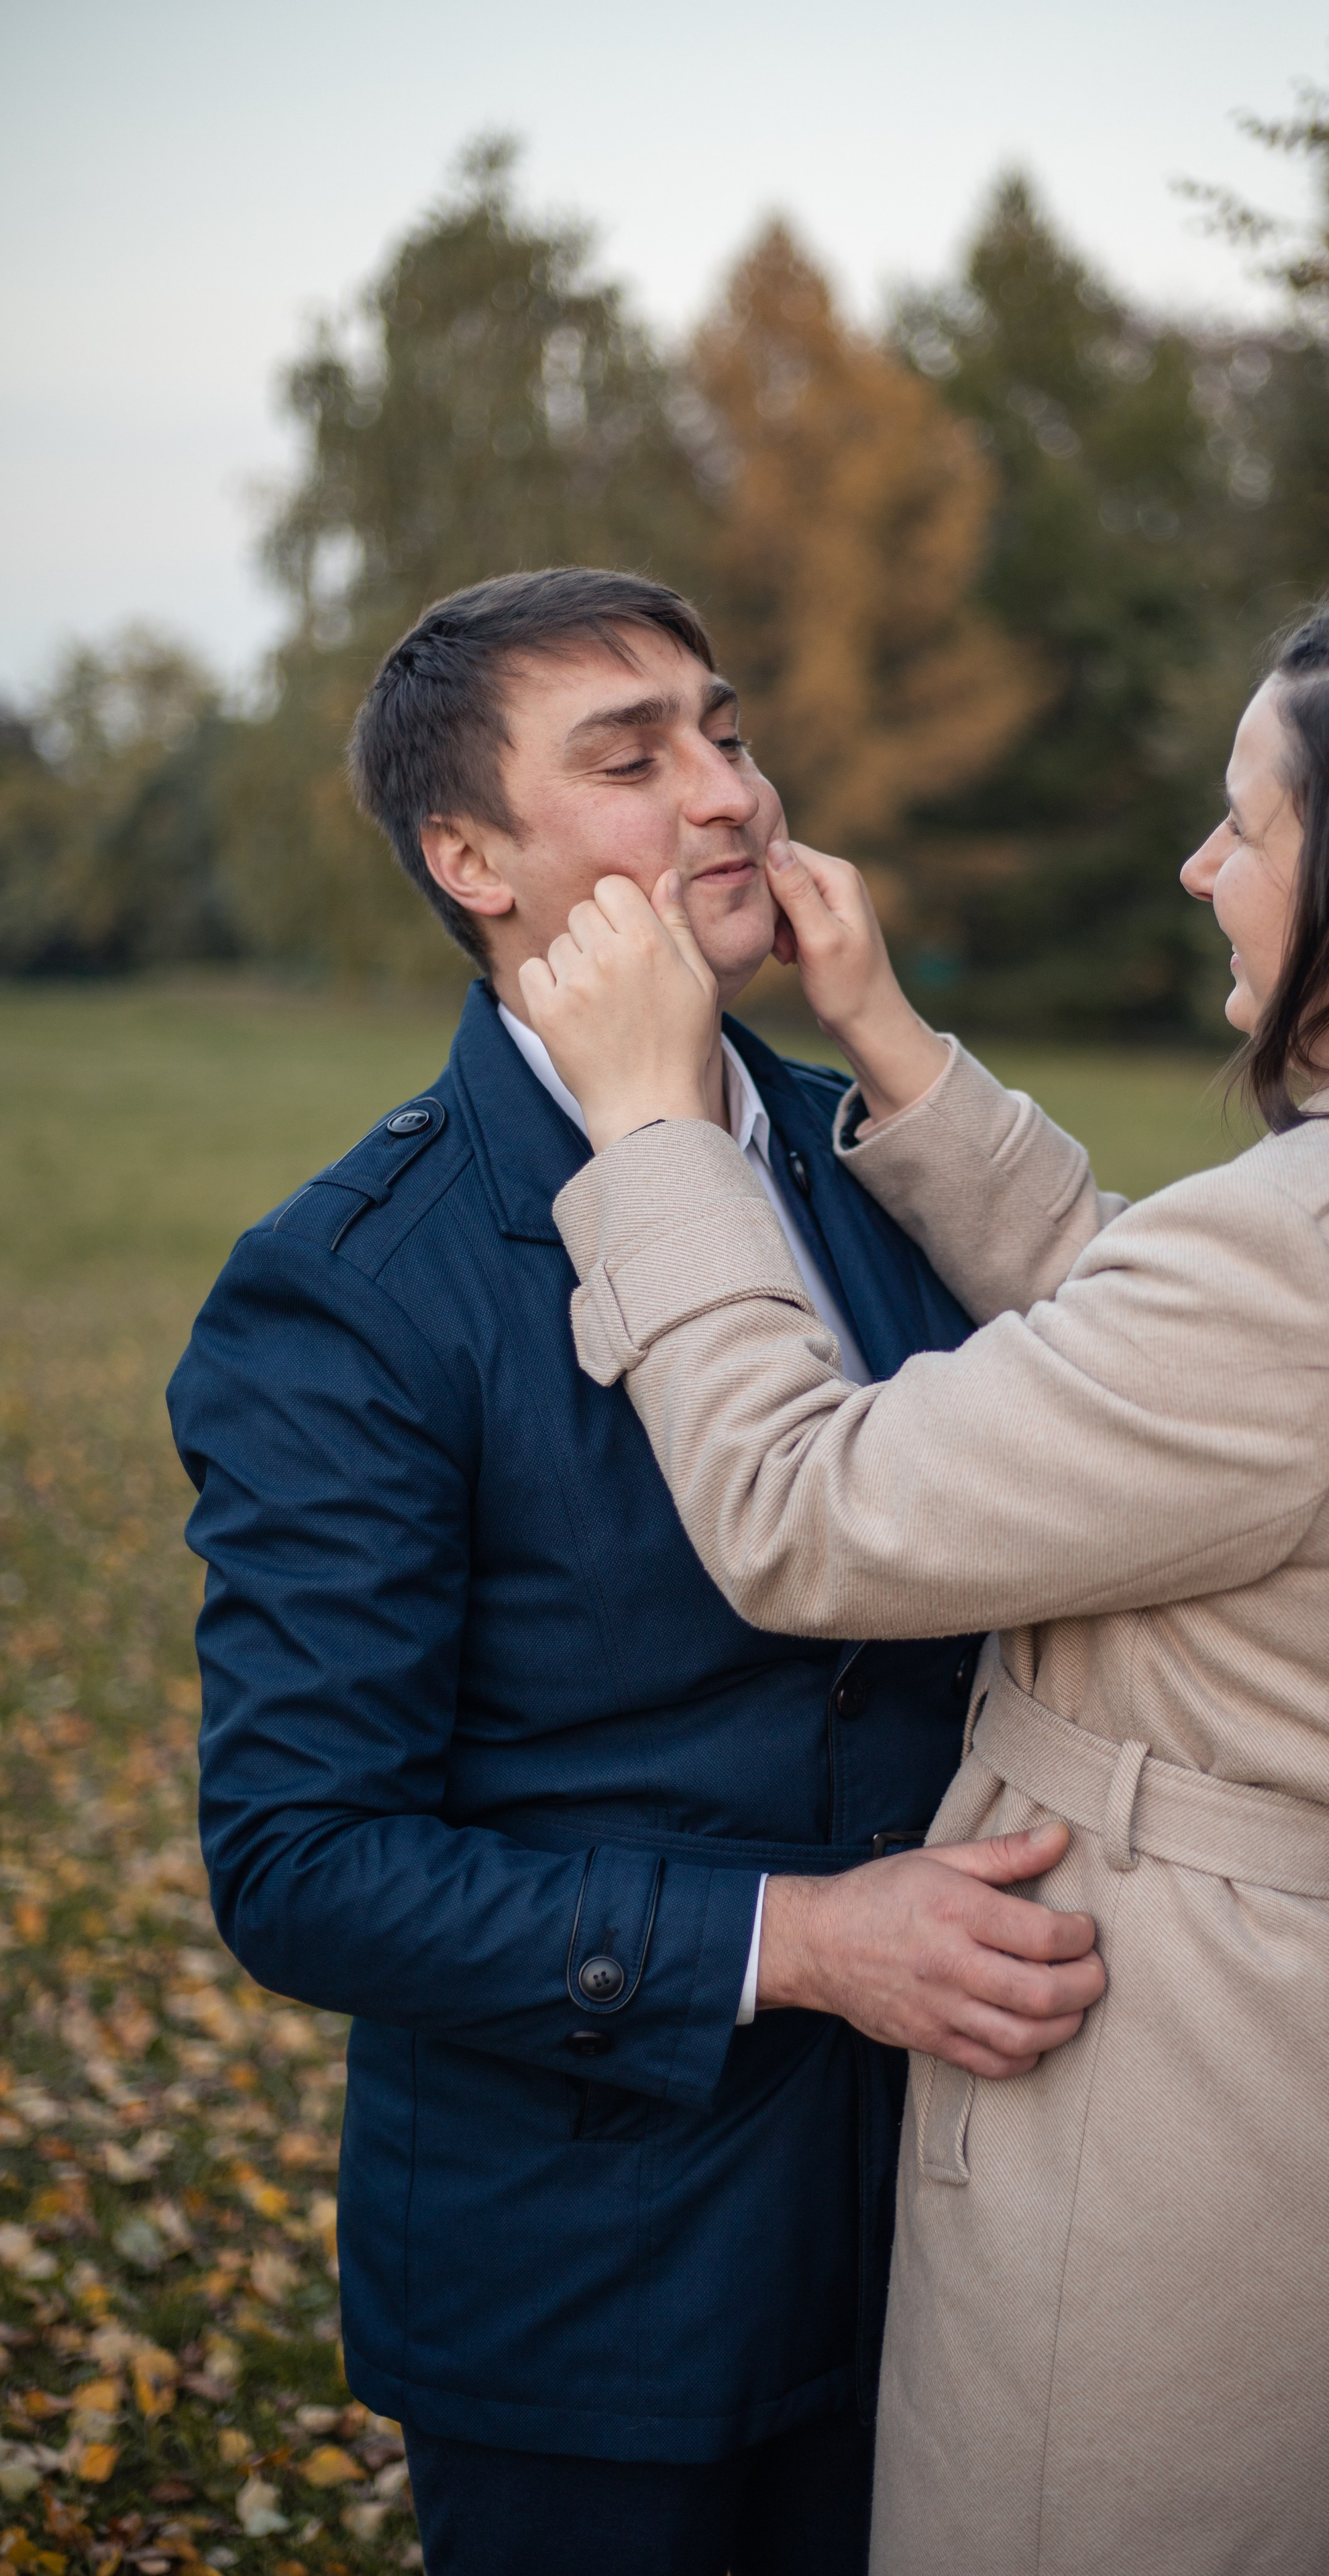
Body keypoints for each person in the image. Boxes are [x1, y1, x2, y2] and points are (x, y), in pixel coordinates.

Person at [518, 570, 1329, 2575]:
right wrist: (889, 1041)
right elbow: (1162, 1376)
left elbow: (806, 1507)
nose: (1197, 867)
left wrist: (655, 1137)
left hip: (1181, 2114)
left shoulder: (1311, 1243)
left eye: (1245, 824)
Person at [165, 567, 1105, 2576]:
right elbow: (304, 1862)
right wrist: (807, 1942)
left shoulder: (887, 1162)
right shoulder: (350, 1289)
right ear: (469, 858)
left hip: (971, 2240)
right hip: (591, 2294)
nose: (730, 794)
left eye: (731, 731)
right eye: (635, 756)